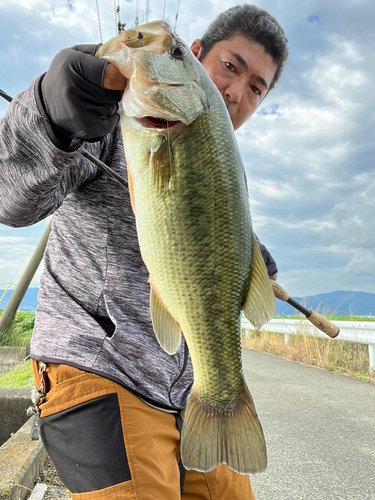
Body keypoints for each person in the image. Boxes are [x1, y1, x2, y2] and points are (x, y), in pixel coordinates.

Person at [0, 4, 287, 499]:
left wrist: (251, 261)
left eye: (257, 87)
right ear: (195, 56)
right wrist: (49, 113)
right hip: (99, 372)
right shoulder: (104, 123)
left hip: (187, 392)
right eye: (231, 67)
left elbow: (206, 238)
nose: (237, 92)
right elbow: (9, 194)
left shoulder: (227, 172)